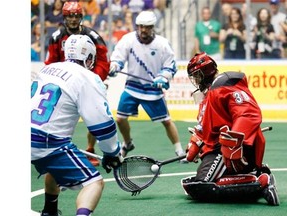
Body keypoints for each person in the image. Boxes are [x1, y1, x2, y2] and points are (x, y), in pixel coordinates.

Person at [31, 34, 123, 216]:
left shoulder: (49, 69)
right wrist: (112, 152)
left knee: (54, 166)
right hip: (47, 141)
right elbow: (102, 125)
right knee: (94, 182)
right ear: (89, 58)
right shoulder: (88, 77)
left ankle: (49, 211)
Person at [181, 52, 280, 206]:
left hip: (231, 149)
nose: (196, 80)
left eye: (197, 75)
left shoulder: (224, 85)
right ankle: (253, 175)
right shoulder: (207, 96)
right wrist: (194, 146)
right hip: (220, 148)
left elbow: (248, 113)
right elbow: (204, 127)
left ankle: (262, 183)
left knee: (200, 187)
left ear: (207, 72)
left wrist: (234, 140)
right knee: (192, 186)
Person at [108, 10, 185, 159]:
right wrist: (115, 66)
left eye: (147, 27)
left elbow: (170, 66)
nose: (143, 30)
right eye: (141, 26)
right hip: (133, 87)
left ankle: (179, 150)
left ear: (153, 27)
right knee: (120, 118)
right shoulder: (128, 40)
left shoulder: (162, 43)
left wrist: (163, 77)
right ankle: (128, 143)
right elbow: (118, 57)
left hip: (152, 90)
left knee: (166, 121)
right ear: (137, 26)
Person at [45, 1, 110, 166]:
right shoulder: (56, 37)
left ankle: (90, 150)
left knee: (93, 118)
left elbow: (103, 61)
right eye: (69, 16)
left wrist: (94, 80)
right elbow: (51, 62)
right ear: (64, 17)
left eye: (76, 16)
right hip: (64, 86)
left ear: (81, 17)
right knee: (59, 119)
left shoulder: (93, 36)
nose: (73, 19)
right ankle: (56, 151)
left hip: (88, 84)